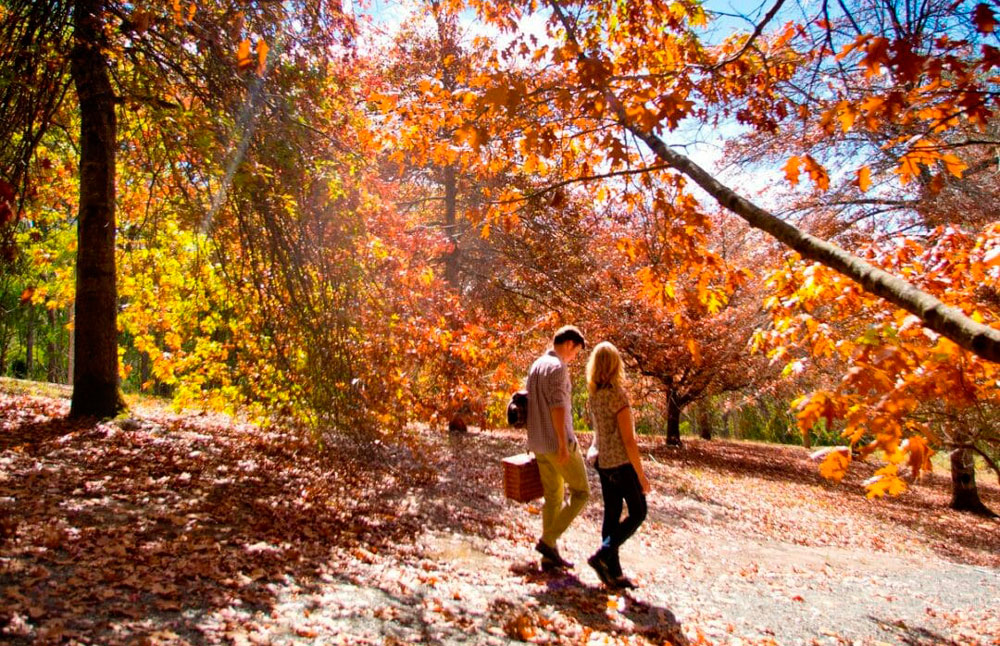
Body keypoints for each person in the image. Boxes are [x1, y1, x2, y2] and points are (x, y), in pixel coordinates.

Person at [584, 341, 649, 589]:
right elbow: (629, 440)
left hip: (603, 462)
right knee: (638, 511)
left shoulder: (596, 396)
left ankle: (614, 573)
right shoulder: (617, 396)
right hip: (620, 463)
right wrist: (641, 476)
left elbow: (600, 431)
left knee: (612, 515)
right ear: (615, 365)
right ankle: (603, 554)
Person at [526, 325, 590, 570]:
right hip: (557, 443)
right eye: (576, 351)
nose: (574, 357)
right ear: (569, 344)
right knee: (582, 492)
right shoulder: (557, 368)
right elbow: (558, 407)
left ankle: (548, 558)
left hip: (538, 443)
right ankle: (548, 540)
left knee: (553, 497)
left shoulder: (536, 366)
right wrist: (563, 444)